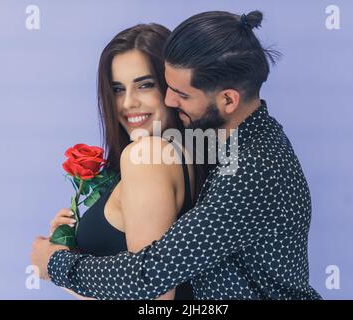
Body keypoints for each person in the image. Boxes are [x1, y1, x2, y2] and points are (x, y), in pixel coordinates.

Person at [31, 10, 322, 300]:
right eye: (167, 87)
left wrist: (54, 263)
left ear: (228, 100)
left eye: (181, 94)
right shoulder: (226, 144)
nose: (170, 100)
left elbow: (149, 279)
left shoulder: (252, 170)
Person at [46, 23, 209, 300]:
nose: (128, 103)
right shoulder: (194, 151)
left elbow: (152, 299)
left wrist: (56, 266)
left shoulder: (145, 158)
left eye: (145, 85)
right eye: (117, 89)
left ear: (173, 87)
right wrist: (71, 245)